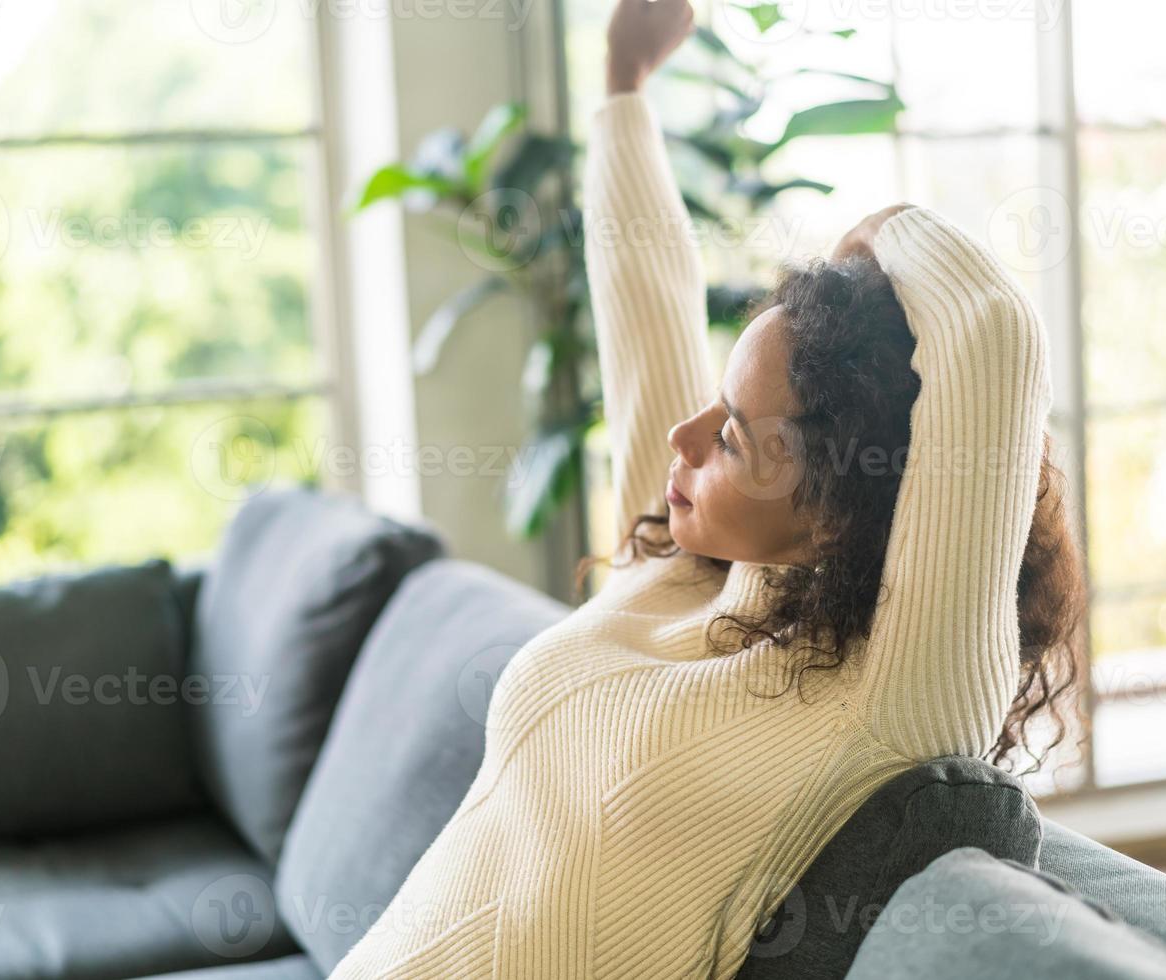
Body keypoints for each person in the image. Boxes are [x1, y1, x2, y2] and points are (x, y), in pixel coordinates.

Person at [325, 1, 1084, 976]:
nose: (685, 435)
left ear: (844, 490)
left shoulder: (889, 691)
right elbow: (645, 313)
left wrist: (876, 237)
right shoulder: (682, 568)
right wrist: (623, 85)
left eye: (729, 431)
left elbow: (993, 338)